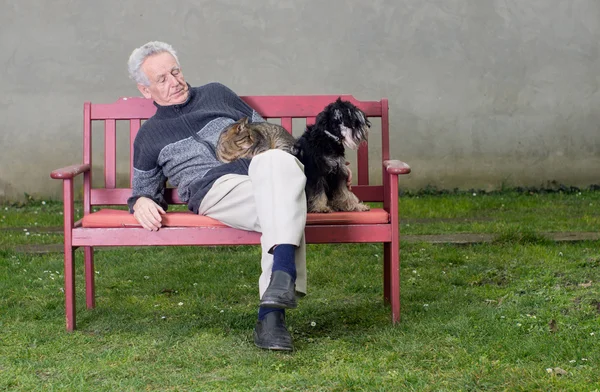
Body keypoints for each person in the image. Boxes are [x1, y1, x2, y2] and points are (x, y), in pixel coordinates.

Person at [126, 41, 307, 351]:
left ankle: (273, 308)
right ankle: (277, 296)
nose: (175, 82)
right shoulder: (149, 136)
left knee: (277, 166)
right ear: (146, 91)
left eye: (176, 71)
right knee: (285, 202)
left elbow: (265, 132)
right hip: (216, 190)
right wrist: (141, 201)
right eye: (162, 79)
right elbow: (143, 189)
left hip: (264, 172)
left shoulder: (216, 93)